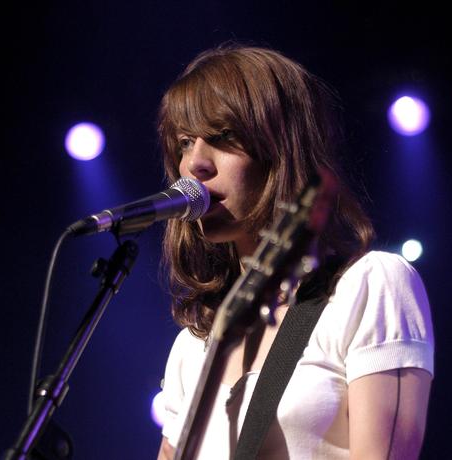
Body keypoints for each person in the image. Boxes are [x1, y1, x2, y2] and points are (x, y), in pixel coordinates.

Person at [156, 44, 434, 459]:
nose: (196, 163)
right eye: (184, 143)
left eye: (223, 136)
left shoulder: (369, 286)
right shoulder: (192, 347)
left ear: (281, 148)